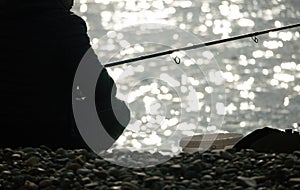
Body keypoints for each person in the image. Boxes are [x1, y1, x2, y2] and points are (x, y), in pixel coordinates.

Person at [0, 0, 130, 149]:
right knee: (117, 110)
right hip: (44, 134)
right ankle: (75, 154)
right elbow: (102, 88)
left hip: (3, 132)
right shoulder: (64, 25)